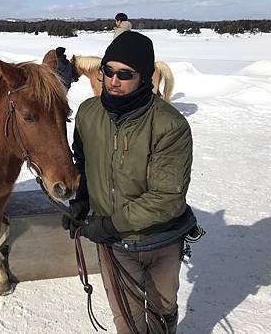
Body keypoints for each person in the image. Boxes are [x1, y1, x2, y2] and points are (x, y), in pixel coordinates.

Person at [63, 31, 195, 333]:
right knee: (128, 322)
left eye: (125, 74)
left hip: (161, 240)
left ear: (146, 77)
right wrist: (81, 203)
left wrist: (107, 225)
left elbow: (167, 197)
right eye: (107, 71)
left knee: (162, 312)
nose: (113, 81)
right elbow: (82, 161)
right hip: (116, 247)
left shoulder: (170, 125)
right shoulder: (88, 113)